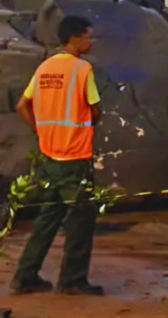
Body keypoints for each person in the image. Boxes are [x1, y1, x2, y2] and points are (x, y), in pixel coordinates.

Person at [10, 15, 103, 296]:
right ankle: (72, 280)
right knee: (80, 218)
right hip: (74, 155)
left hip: (50, 155)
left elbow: (22, 105)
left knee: (48, 216)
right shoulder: (82, 69)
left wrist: (40, 130)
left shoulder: (45, 68)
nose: (92, 41)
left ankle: (25, 274)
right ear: (74, 38)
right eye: (89, 36)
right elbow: (95, 109)